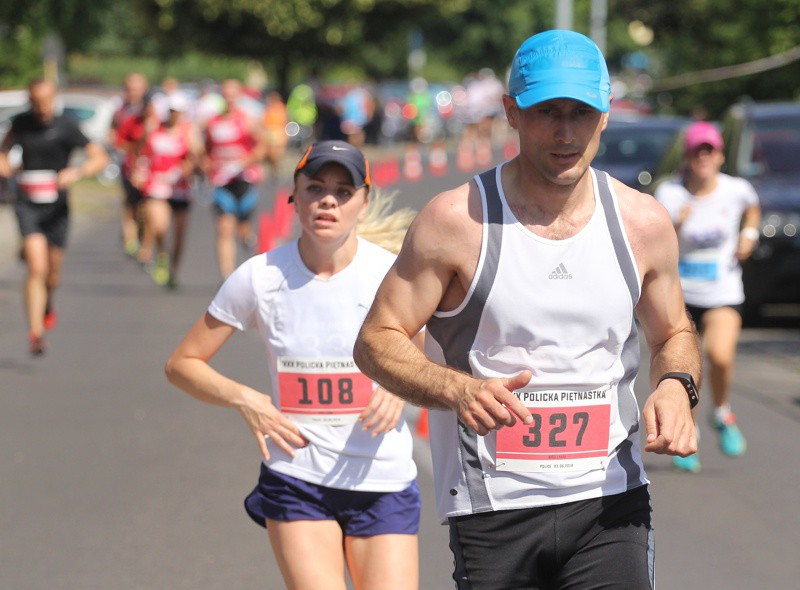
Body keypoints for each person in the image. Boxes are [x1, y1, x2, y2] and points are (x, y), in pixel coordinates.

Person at [354, 30, 701, 589]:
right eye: (547, 113)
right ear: (511, 112)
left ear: (606, 114)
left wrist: (676, 385)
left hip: (610, 502)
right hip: (494, 509)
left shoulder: (643, 223)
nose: (566, 133)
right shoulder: (457, 222)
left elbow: (674, 332)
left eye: (581, 113)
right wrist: (454, 389)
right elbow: (377, 339)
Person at [166, 140, 419, 590]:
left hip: (381, 478)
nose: (328, 199)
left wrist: (400, 388)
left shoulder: (392, 275)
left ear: (363, 201)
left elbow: (435, 353)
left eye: (343, 191)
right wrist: (248, 399)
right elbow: (183, 364)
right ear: (293, 195)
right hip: (297, 478)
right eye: (315, 187)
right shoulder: (259, 277)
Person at [655, 121, 761, 472]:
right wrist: (676, 226)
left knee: (720, 355)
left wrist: (748, 235)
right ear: (687, 156)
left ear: (719, 156)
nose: (703, 157)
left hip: (723, 291)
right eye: (697, 150)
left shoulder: (736, 189)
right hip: (680, 297)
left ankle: (722, 413)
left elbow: (753, 208)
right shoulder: (670, 194)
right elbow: (654, 239)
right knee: (688, 368)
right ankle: (690, 428)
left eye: (709, 150)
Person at [0, 79, 108, 355]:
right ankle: (35, 332)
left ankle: (47, 300)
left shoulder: (67, 127)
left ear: (54, 99)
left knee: (52, 275)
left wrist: (76, 172)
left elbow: (99, 157)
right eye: (36, 103)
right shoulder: (21, 123)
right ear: (30, 102)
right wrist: (8, 171)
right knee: (36, 267)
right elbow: (3, 151)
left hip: (57, 207)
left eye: (46, 102)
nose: (42, 108)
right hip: (28, 203)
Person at [202, 79, 266, 279]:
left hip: (244, 180)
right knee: (224, 228)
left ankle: (247, 237)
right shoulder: (212, 123)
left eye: (233, 93)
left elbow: (262, 147)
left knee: (243, 228)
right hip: (222, 182)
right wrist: (206, 164)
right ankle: (227, 277)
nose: (229, 98)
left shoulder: (247, 121)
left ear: (238, 95)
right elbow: (205, 151)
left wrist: (247, 160)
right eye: (225, 93)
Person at [135, 93, 200, 289]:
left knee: (179, 236)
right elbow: (141, 151)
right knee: (159, 225)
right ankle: (162, 251)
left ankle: (173, 271)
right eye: (172, 111)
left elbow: (196, 156)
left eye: (178, 112)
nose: (175, 115)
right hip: (157, 184)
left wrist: (189, 165)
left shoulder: (189, 131)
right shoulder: (153, 128)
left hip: (179, 188)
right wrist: (138, 169)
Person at [111, 72, 150, 258]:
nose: (133, 92)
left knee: (146, 205)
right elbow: (113, 137)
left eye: (137, 88)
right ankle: (131, 239)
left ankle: (143, 236)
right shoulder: (120, 111)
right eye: (130, 88)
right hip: (128, 163)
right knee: (130, 203)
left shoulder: (149, 110)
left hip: (147, 164)